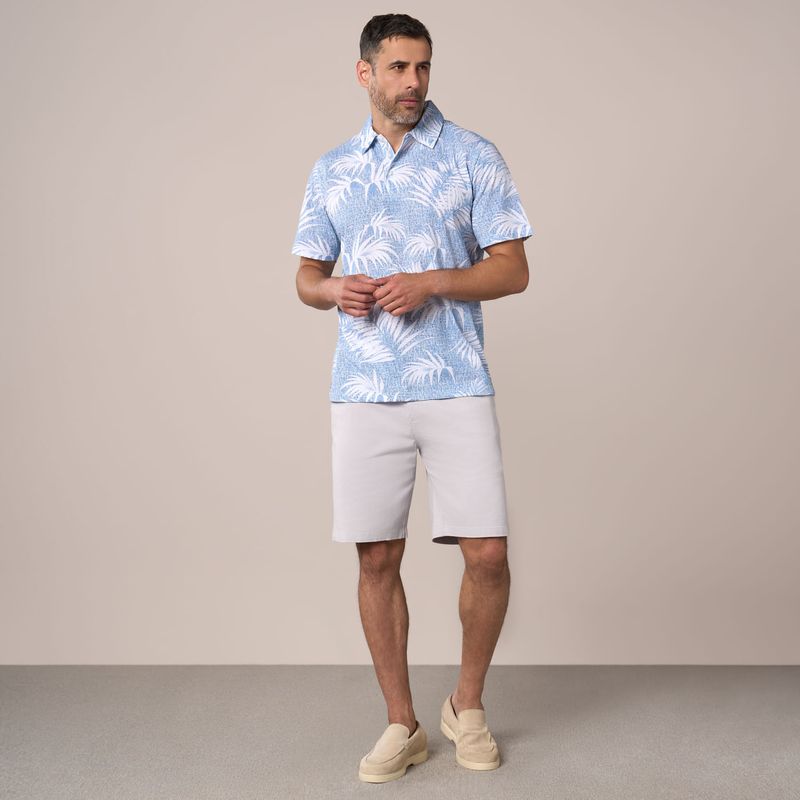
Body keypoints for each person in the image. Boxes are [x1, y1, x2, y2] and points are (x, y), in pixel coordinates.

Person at [291, 12, 534, 784]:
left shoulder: (472, 156)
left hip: (454, 379)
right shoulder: (333, 169)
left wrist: (431, 282)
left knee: (487, 554)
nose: (414, 82)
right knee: (376, 557)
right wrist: (332, 290)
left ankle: (467, 704)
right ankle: (402, 721)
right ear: (364, 73)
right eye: (398, 68)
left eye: (423, 66)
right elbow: (305, 278)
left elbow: (513, 269)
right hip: (364, 387)